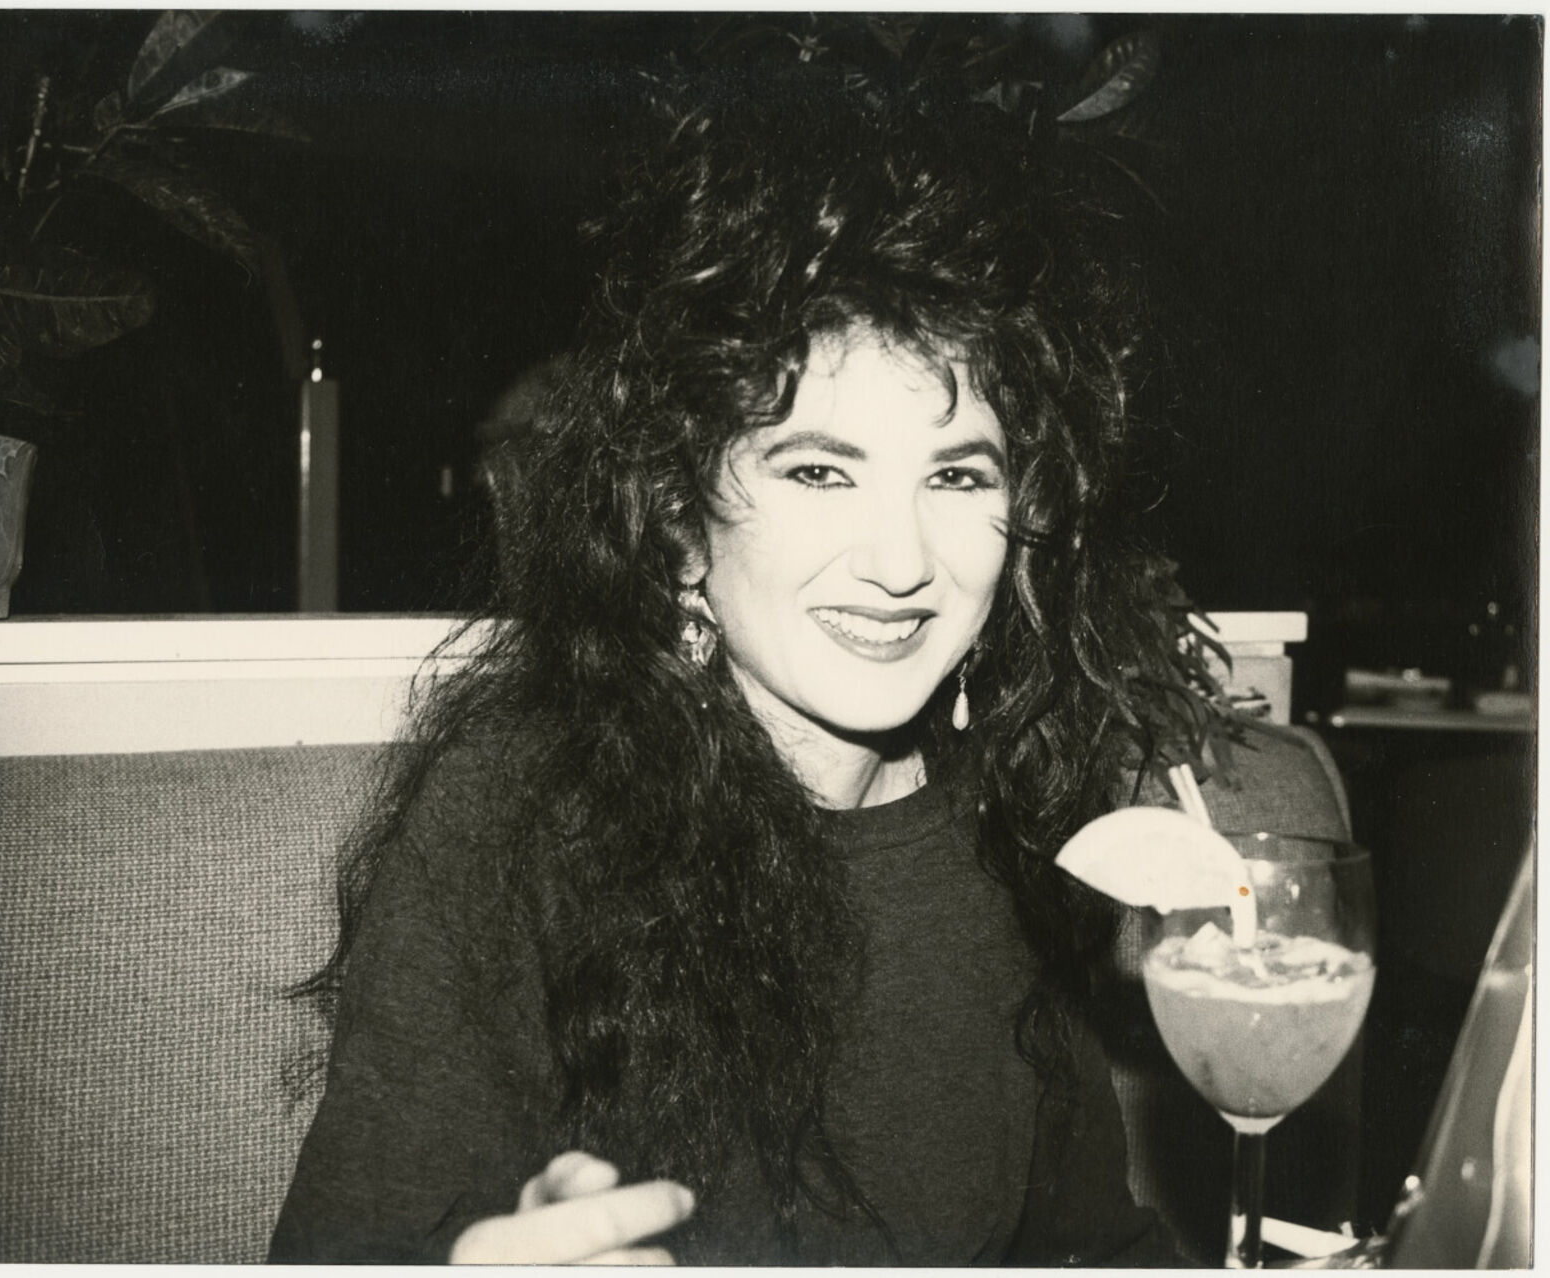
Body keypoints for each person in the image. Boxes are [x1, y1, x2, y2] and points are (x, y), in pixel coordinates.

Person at [271, 70, 1206, 1265]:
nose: (901, 561)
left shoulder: (1018, 818)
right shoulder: (517, 813)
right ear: (675, 520)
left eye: (958, 475)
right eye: (819, 470)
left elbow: (1091, 1246)